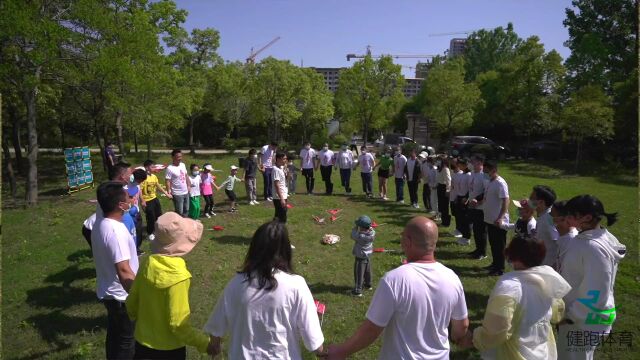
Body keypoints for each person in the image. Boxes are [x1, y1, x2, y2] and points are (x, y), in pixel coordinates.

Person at [327, 217, 469, 359]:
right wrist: (460, 338)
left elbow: (372, 329)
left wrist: (341, 351)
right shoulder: (453, 278)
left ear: (407, 242)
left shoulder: (394, 280)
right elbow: (461, 327)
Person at [204, 221, 325, 358]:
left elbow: (216, 326)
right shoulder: (296, 285)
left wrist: (214, 344)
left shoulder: (236, 283)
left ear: (254, 248)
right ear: (286, 250)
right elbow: (313, 338)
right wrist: (324, 353)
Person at [126, 212, 216, 359]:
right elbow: (178, 325)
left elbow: (131, 302)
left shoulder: (147, 263)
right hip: (169, 350)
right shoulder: (179, 277)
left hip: (142, 343)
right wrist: (205, 343)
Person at [465, 234, 572, 359]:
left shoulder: (508, 286)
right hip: (542, 352)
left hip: (513, 353)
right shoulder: (547, 279)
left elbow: (498, 330)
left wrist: (476, 338)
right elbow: (557, 313)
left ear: (512, 255)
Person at [557, 195, 626, 360]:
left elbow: (597, 290)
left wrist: (571, 317)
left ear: (587, 217)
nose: (566, 218)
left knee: (574, 356)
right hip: (580, 315)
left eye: (570, 215)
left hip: (583, 320)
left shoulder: (593, 248)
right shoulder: (595, 237)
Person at [92, 181, 139, 359]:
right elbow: (124, 270)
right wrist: (138, 297)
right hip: (122, 297)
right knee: (127, 341)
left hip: (108, 293)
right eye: (128, 198)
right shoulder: (116, 231)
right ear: (121, 205)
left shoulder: (100, 222)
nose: (132, 199)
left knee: (115, 336)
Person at [82, 162, 133, 249]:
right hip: (99, 230)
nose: (132, 176)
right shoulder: (111, 193)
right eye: (130, 174)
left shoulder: (112, 189)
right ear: (122, 177)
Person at [482, 160, 510, 276]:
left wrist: (500, 217)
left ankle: (500, 268)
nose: (485, 172)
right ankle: (495, 264)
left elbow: (506, 200)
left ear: (493, 170)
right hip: (489, 218)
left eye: (487, 171)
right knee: (493, 244)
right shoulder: (490, 181)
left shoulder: (500, 183)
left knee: (499, 245)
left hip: (497, 220)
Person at [140, 160, 170, 242]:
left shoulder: (153, 176)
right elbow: (139, 190)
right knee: (150, 217)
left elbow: (158, 186)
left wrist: (167, 194)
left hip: (154, 199)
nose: (154, 168)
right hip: (147, 200)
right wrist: (142, 201)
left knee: (159, 215)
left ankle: (157, 230)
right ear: (146, 168)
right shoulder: (143, 177)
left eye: (154, 166)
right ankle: (150, 233)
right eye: (152, 167)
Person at [530, 185, 559, 267]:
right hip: (542, 261)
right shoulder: (543, 215)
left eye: (532, 198)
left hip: (549, 263)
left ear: (541, 202)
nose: (529, 200)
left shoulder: (549, 219)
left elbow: (558, 241)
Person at [467, 155, 489, 261]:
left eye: (474, 162)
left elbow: (486, 191)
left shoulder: (484, 176)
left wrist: (477, 199)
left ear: (480, 163)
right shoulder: (472, 174)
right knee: (475, 229)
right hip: (472, 205)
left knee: (481, 230)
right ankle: (477, 249)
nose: (472, 163)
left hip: (481, 207)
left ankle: (482, 252)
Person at [351, 215, 375, 297]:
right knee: (367, 271)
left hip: (360, 257)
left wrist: (355, 228)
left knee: (359, 273)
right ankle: (368, 285)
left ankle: (358, 291)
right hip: (367, 256)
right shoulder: (372, 233)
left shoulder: (360, 236)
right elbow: (371, 230)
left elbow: (353, 235)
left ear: (361, 227)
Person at [551, 200, 578, 273]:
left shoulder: (571, 240)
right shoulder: (562, 235)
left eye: (552, 215)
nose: (550, 218)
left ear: (563, 219)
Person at [165, 149, 191, 217]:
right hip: (177, 194)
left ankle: (184, 224)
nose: (180, 158)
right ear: (173, 157)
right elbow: (167, 180)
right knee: (179, 211)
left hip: (186, 192)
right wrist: (169, 191)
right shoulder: (170, 168)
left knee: (187, 209)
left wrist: (189, 185)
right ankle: (178, 225)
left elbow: (186, 175)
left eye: (181, 156)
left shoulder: (183, 165)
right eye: (178, 157)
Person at [453, 158, 472, 246]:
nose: (459, 166)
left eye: (460, 164)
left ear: (465, 165)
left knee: (466, 219)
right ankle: (463, 235)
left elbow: (470, 189)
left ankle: (467, 237)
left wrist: (466, 198)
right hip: (460, 197)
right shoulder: (462, 174)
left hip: (465, 199)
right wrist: (457, 196)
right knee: (460, 217)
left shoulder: (468, 175)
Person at [272, 152, 289, 223]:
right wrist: (281, 199)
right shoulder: (275, 169)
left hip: (283, 195)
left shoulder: (281, 168)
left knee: (278, 215)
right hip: (279, 197)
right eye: (284, 159)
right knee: (282, 217)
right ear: (278, 159)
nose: (286, 160)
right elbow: (276, 184)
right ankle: (279, 232)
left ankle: (273, 231)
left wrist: (287, 172)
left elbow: (286, 180)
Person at [436, 156, 452, 226]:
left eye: (440, 160)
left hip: (444, 188)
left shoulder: (445, 169)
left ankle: (446, 222)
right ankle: (443, 221)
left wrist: (448, 190)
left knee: (445, 206)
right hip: (440, 187)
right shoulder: (440, 169)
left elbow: (448, 180)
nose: (438, 162)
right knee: (441, 206)